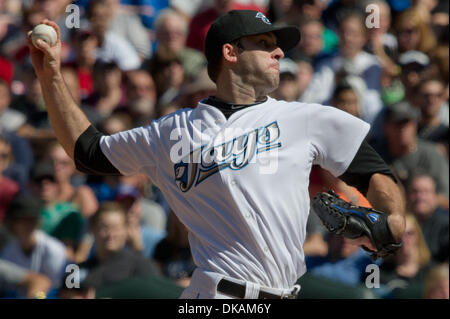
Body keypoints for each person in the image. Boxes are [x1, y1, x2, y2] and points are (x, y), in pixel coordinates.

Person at [27, 11, 405, 299]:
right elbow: (87, 151)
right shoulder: (171, 131)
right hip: (218, 296)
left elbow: (375, 172)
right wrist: (51, 78)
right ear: (231, 52)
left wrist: (392, 221)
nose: (278, 51)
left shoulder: (303, 118)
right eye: (264, 42)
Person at [0, 194, 67, 297]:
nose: (28, 225)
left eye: (32, 220)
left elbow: (55, 288)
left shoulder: (54, 250)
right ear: (13, 223)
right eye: (22, 220)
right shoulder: (8, 251)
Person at [406, 173, 449, 263]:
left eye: (426, 192)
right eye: (415, 191)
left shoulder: (446, 225)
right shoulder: (401, 224)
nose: (420, 197)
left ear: (436, 196)